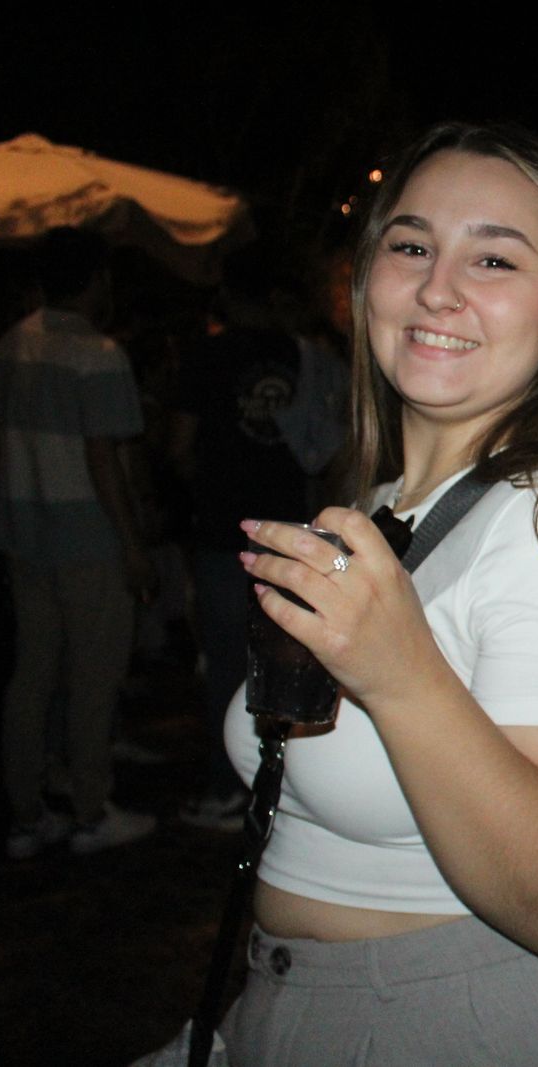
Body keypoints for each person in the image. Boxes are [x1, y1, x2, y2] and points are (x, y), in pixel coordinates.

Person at [217, 122, 538, 1065]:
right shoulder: (382, 504)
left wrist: (401, 673)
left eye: (493, 257)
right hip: (299, 1001)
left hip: (454, 1019)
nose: (436, 287)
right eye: (410, 245)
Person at [0, 227, 159, 859]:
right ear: (96, 280)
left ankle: (28, 811)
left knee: (33, 672)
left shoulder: (13, 342)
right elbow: (104, 458)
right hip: (87, 534)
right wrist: (133, 542)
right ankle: (91, 808)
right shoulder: (97, 352)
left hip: (24, 527)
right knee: (94, 675)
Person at [170, 249, 321, 831]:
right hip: (291, 528)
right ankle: (281, 789)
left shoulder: (207, 356)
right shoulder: (302, 354)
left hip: (223, 529)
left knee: (228, 662)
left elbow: (179, 443)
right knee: (287, 661)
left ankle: (227, 786)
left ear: (227, 295)